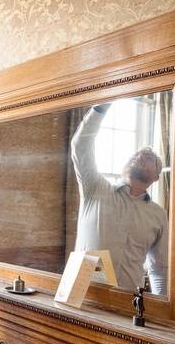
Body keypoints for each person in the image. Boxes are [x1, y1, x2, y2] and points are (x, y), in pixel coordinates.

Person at [70, 102, 168, 295]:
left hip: (128, 305)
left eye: (149, 157)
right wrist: (100, 108)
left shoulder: (158, 214)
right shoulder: (96, 188)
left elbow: (160, 269)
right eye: (137, 153)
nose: (140, 155)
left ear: (157, 177)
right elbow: (80, 145)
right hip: (83, 299)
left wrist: (161, 312)